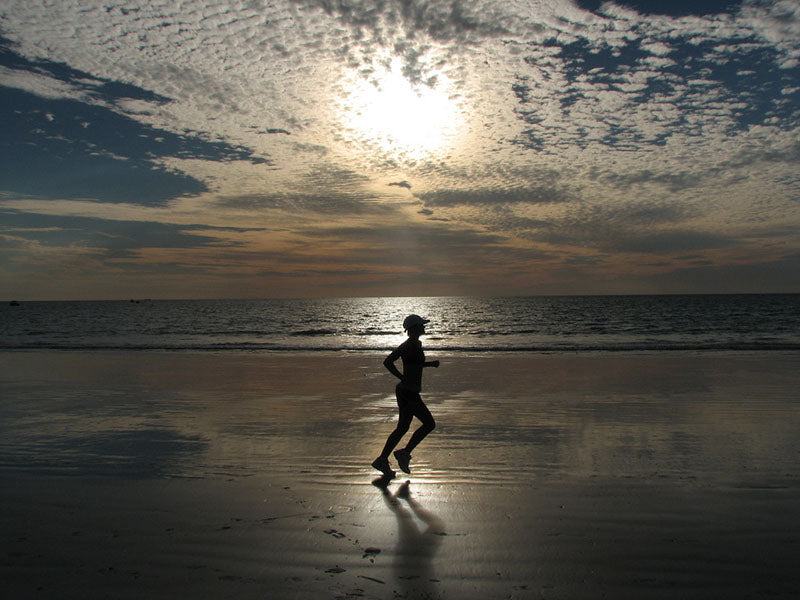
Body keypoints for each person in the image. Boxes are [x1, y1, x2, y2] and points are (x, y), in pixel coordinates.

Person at [372, 314, 439, 477]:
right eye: (421, 325)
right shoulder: (413, 345)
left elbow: (404, 363)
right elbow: (393, 362)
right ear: (414, 328)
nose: (424, 327)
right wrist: (402, 377)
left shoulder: (410, 344)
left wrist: (428, 365)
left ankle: (382, 459)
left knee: (402, 428)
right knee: (429, 424)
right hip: (409, 392)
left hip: (404, 390)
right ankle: (404, 453)